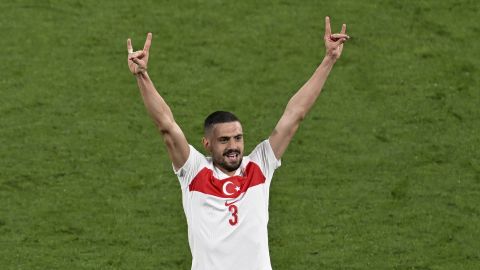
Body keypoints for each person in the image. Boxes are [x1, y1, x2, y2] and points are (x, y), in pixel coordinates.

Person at [127, 16, 349, 270]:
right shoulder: (194, 172)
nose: (233, 146)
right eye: (224, 140)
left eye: (238, 138)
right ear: (207, 144)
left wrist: (329, 59)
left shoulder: (260, 165)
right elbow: (166, 125)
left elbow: (295, 114)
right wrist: (142, 76)